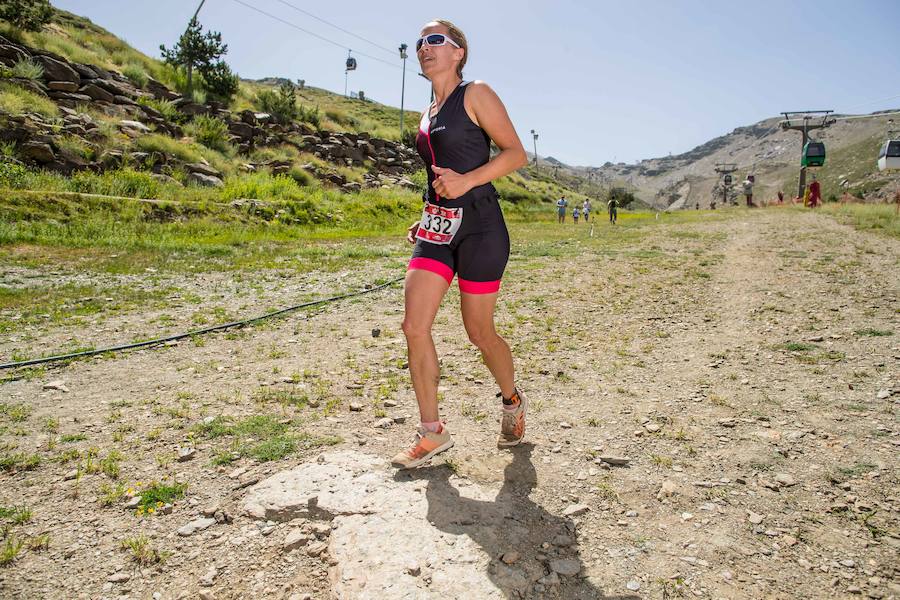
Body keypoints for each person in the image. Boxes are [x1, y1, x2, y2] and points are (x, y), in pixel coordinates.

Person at [392, 19, 529, 470]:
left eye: (436, 40)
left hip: (482, 227)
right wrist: (428, 214)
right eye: (420, 42)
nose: (424, 48)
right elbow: (439, 177)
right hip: (438, 229)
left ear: (458, 52)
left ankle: (511, 400)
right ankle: (432, 433)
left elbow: (515, 153)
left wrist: (468, 180)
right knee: (414, 325)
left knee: (479, 332)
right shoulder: (426, 113)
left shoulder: (476, 94)